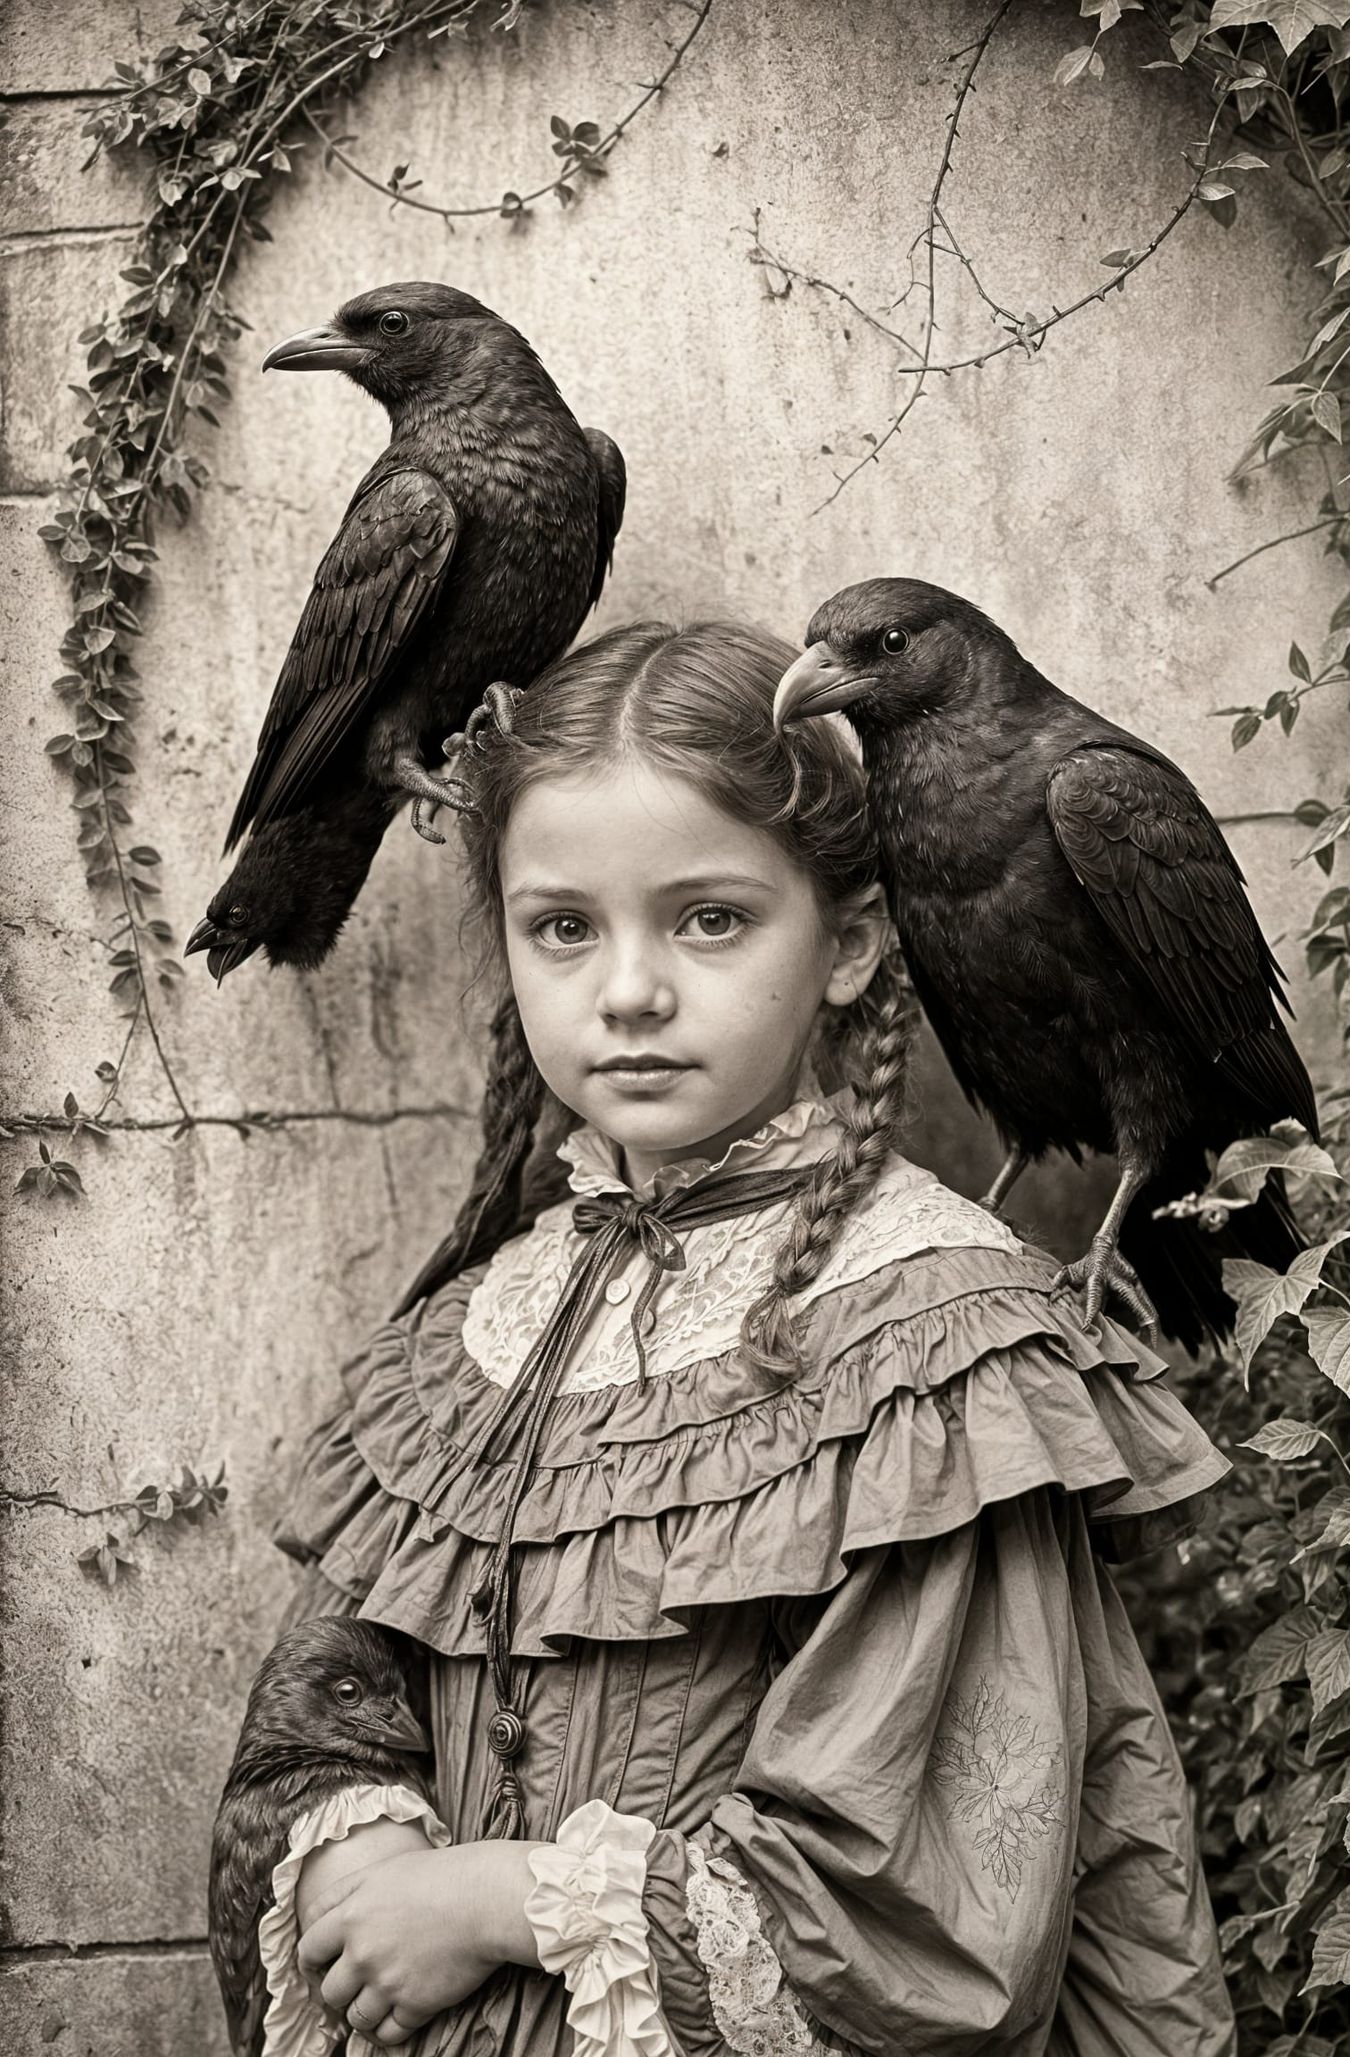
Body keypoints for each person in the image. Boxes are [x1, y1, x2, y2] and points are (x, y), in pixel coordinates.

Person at [256, 619, 1237, 2057]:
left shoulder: (934, 1341)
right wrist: (355, 1867)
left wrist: (493, 1900)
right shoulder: (480, 1332)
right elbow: (322, 1711)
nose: (629, 990)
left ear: (847, 945)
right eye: (563, 926)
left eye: (708, 918)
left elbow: (931, 1911)